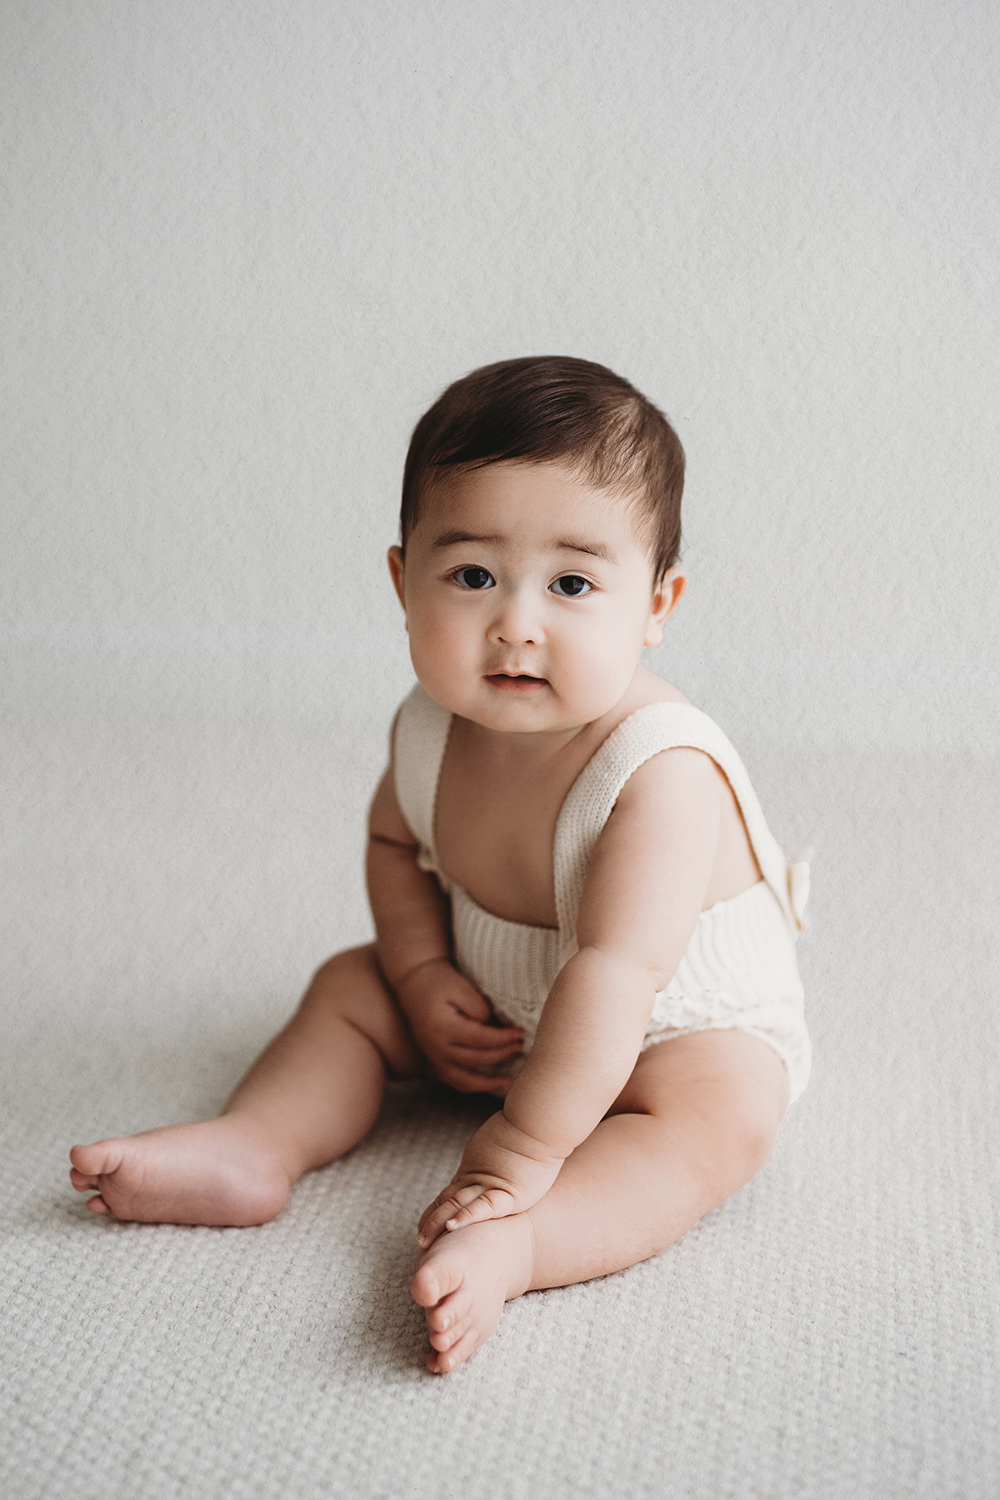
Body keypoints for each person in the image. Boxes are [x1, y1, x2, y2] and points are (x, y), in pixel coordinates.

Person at [70, 356, 810, 1374]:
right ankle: (257, 1141)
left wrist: (522, 1152)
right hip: (495, 994)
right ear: (400, 581)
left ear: (657, 604)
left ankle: (527, 1242)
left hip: (665, 1025)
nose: (516, 622)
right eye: (471, 575)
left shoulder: (659, 774)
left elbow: (615, 973)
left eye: (573, 583)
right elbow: (393, 845)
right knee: (350, 984)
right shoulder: (430, 728)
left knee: (717, 1121)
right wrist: (420, 978)